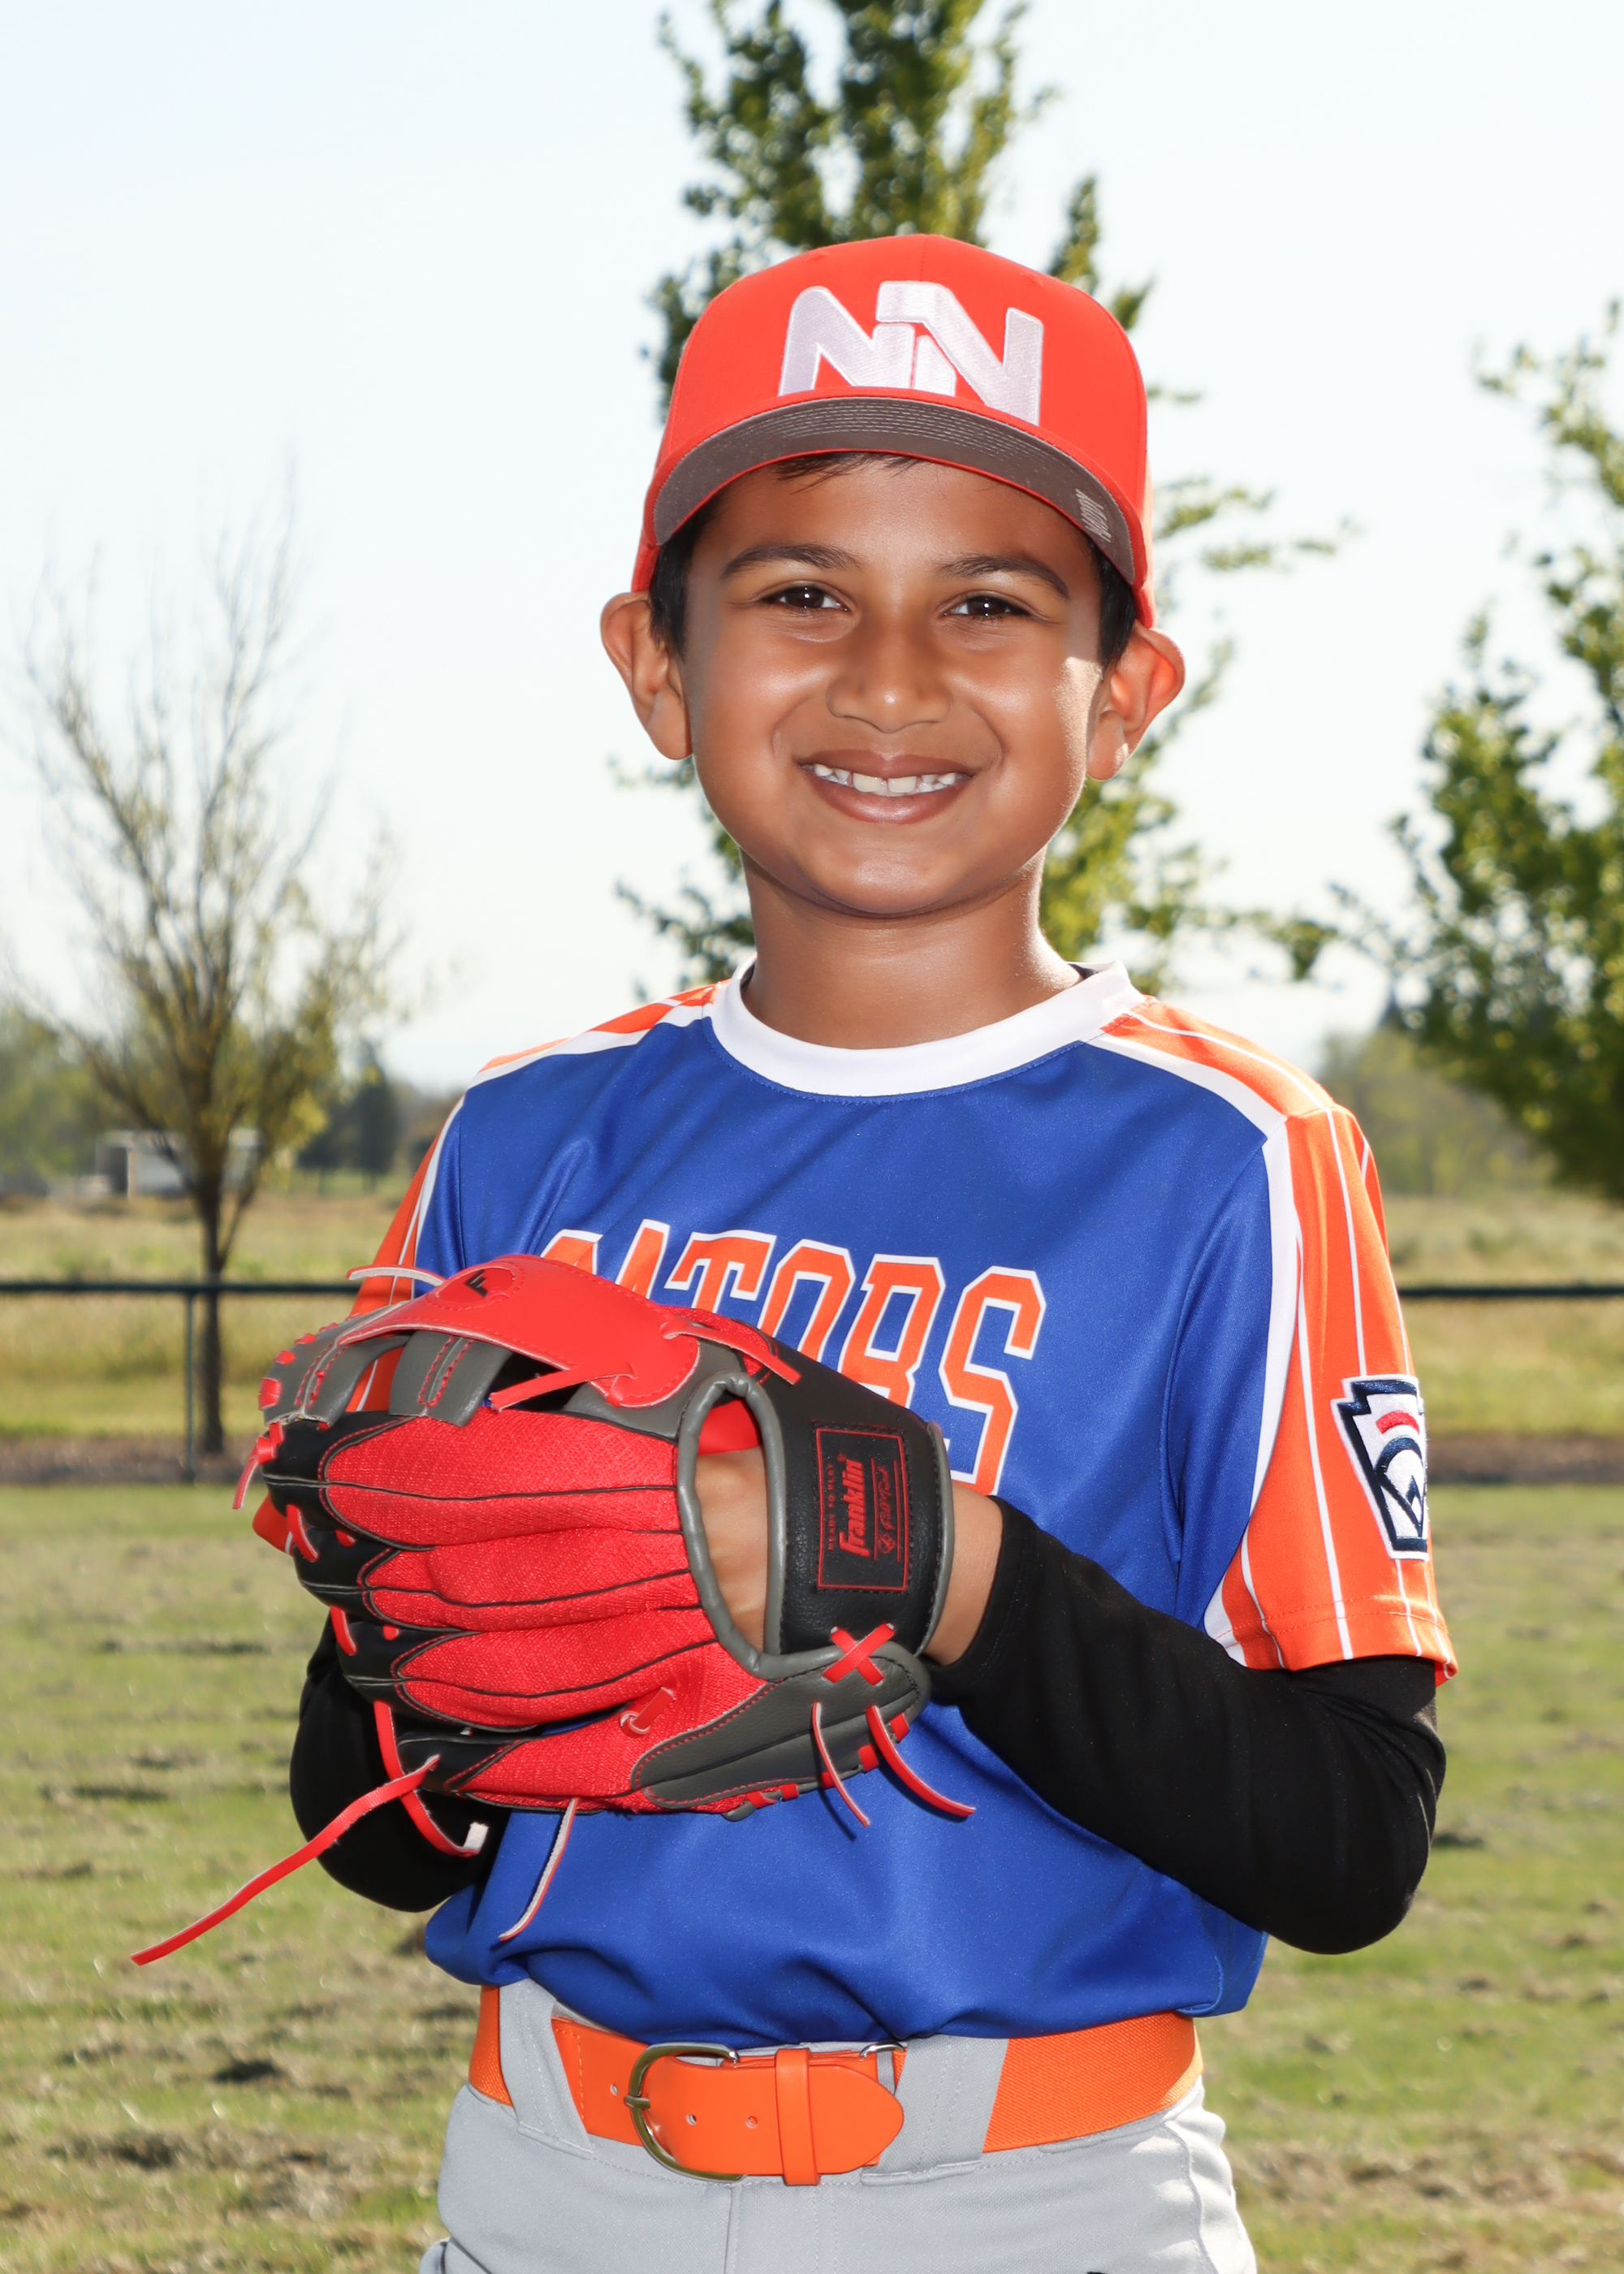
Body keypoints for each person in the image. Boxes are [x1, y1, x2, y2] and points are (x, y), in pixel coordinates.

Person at [289, 235, 1453, 2273]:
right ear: (660, 666)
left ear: (1124, 691)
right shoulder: (529, 1136)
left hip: (1028, 2191)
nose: (890, 677)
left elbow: (1348, 1840)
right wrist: (459, 1656)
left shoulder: (1235, 1156)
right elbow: (370, 1830)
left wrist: (940, 1563)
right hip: (549, 2177)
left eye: (989, 602)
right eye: (800, 592)